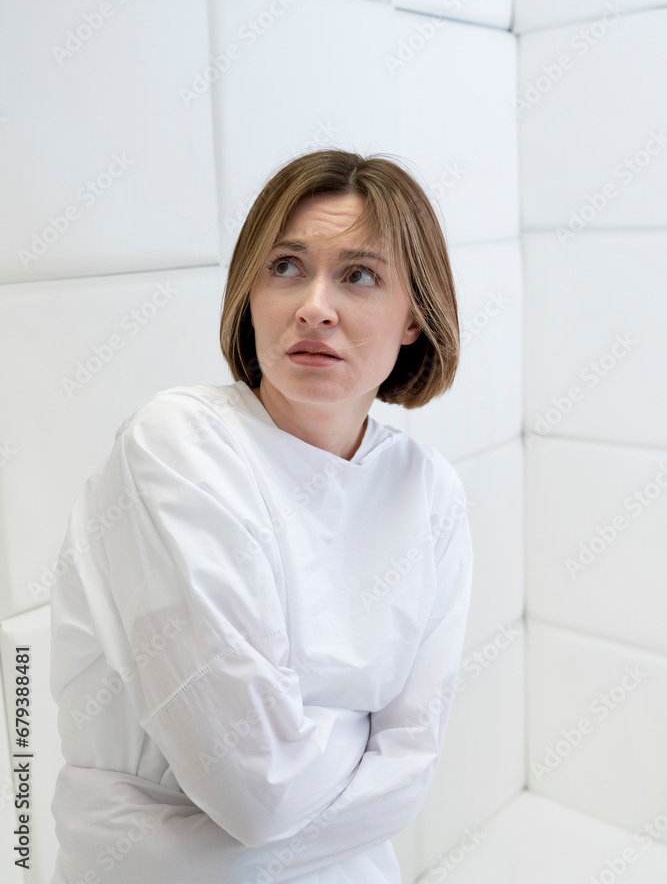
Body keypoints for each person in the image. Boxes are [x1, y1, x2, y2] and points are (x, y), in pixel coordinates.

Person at [48, 148, 474, 884]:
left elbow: (411, 769)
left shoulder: (428, 490)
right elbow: (253, 789)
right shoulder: (179, 444)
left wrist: (303, 744)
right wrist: (354, 730)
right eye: (285, 267)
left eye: (359, 274)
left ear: (414, 319)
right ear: (249, 295)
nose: (314, 304)